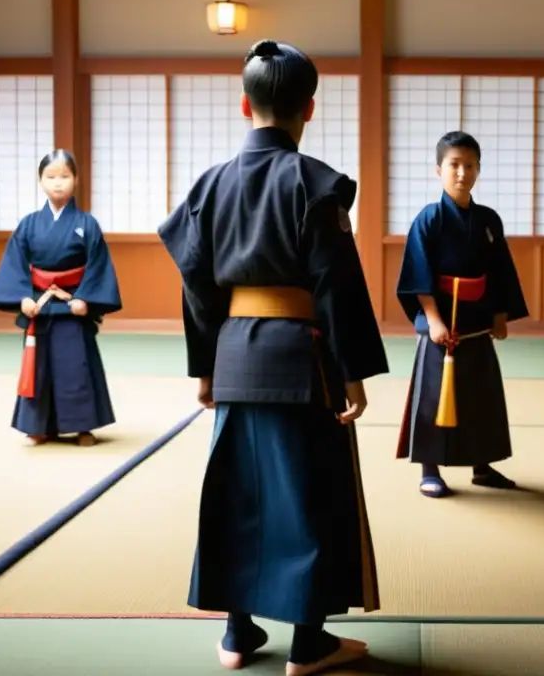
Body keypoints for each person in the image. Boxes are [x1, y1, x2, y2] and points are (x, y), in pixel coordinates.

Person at [157, 39, 389, 676]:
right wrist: (352, 374)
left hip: (234, 358)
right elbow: (336, 287)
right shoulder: (315, 185)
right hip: (301, 361)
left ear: (244, 105)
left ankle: (237, 635)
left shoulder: (209, 187)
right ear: (309, 110)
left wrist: (204, 367)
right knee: (308, 494)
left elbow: (197, 288)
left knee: (237, 492)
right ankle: (309, 644)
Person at [395, 130, 529, 499]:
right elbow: (417, 274)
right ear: (438, 169)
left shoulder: (488, 221)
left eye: (469, 165)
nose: (461, 173)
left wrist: (500, 314)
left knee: (480, 396)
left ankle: (482, 466)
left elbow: (501, 270)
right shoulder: (429, 219)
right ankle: (429, 468)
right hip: (441, 323)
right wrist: (433, 320)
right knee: (435, 396)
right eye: (454, 164)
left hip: (475, 324)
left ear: (478, 170)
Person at [0, 150, 122, 447]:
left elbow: (97, 264)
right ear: (40, 181)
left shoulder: (87, 224)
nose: (58, 183)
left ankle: (83, 426)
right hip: (40, 306)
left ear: (76, 180)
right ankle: (38, 425)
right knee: (40, 367)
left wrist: (85, 297)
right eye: (51, 177)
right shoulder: (29, 224)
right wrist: (22, 297)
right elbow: (16, 263)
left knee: (77, 365)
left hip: (73, 305)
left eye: (65, 176)